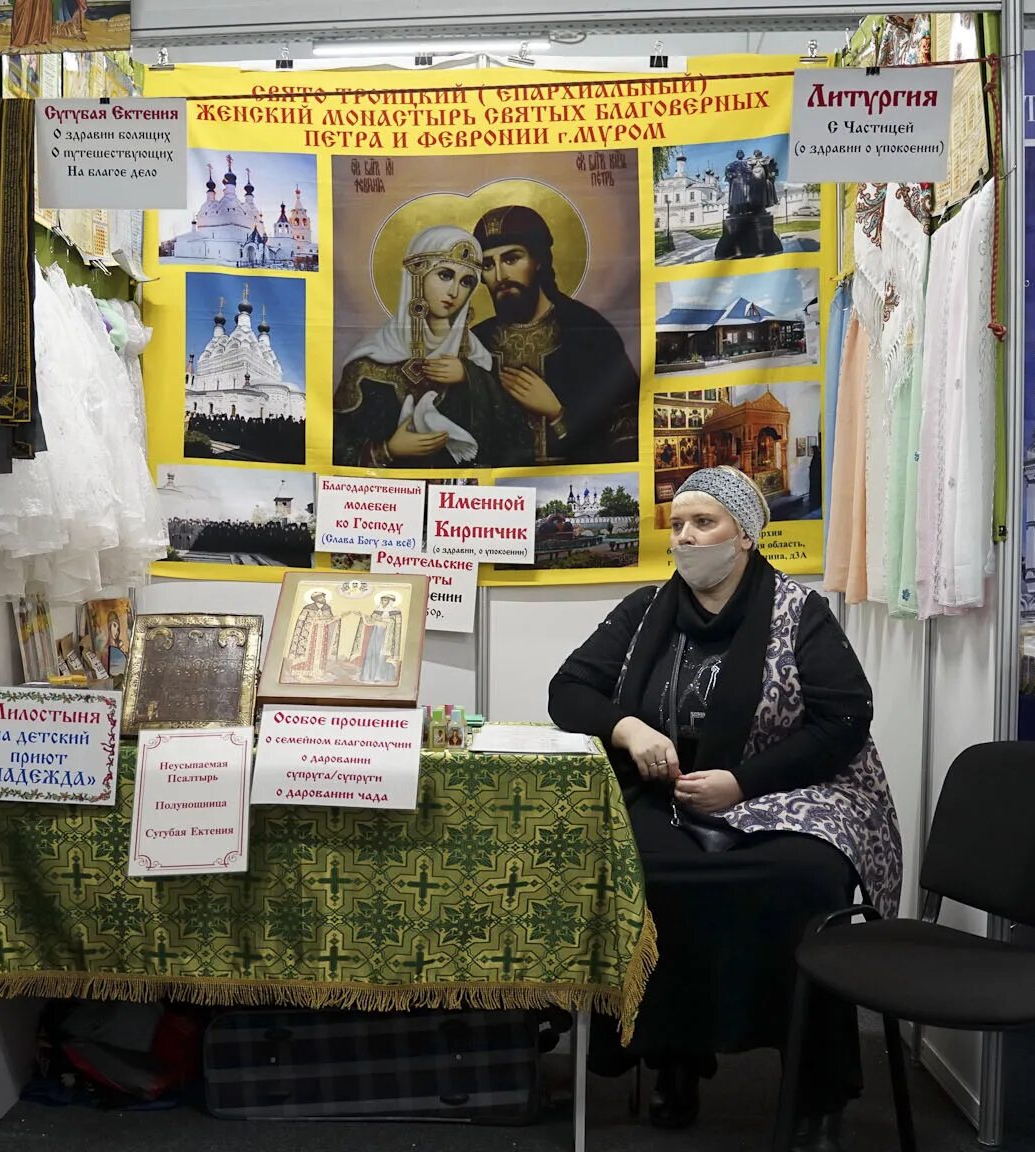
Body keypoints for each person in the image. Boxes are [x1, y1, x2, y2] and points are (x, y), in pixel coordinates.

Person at [547, 466, 901, 1152]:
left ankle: (814, 1090)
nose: (686, 537)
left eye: (703, 523)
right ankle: (675, 1061)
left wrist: (741, 783)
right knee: (642, 874)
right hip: (671, 795)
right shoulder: (646, 609)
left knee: (807, 884)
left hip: (789, 795)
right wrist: (627, 728)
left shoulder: (801, 612)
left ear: (744, 535)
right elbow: (570, 689)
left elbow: (842, 722)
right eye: (677, 524)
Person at [334, 225, 532, 468]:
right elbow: (336, 449)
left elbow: (514, 442)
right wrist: (387, 450)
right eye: (445, 275)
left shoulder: (479, 358)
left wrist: (470, 377)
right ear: (417, 276)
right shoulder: (367, 363)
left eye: (466, 281)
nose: (454, 291)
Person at [470, 205, 640, 465]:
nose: (500, 275)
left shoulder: (588, 332)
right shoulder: (475, 342)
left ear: (538, 260)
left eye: (511, 259)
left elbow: (627, 436)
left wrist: (558, 415)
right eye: (488, 264)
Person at [356, 593, 405, 684]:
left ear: (390, 601)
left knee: (382, 656)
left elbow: (396, 625)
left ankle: (380, 676)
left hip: (387, 637)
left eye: (385, 600)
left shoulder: (395, 612)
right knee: (372, 653)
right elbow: (370, 620)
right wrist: (363, 616)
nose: (383, 602)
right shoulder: (377, 610)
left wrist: (383, 620)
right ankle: (368, 675)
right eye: (382, 600)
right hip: (375, 635)